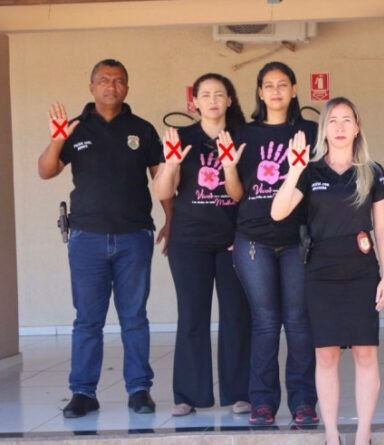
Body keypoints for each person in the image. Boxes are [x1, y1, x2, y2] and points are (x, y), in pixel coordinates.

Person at [38, 59, 169, 418]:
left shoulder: (142, 129)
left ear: (127, 87)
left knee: (135, 317)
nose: (112, 86)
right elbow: (46, 171)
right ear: (91, 86)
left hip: (134, 236)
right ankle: (83, 392)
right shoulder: (75, 128)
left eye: (119, 81)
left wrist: (171, 219)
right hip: (87, 237)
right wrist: (57, 140)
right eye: (104, 80)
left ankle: (139, 390)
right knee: (87, 319)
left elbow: (162, 182)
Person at [271, 97, 384, 445]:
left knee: (365, 352)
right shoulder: (310, 172)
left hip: (361, 269)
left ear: (357, 127)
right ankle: (332, 435)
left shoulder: (373, 171)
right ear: (324, 129)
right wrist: (293, 171)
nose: (340, 127)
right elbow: (278, 213)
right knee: (324, 355)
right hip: (320, 270)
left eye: (347, 120)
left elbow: (381, 228)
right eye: (333, 120)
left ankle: (363, 434)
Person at [219, 61, 318, 426]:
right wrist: (229, 168)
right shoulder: (244, 133)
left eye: (282, 84)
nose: (275, 91)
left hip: (299, 240)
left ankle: (304, 402)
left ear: (294, 89)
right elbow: (236, 194)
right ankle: (262, 403)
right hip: (253, 241)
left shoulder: (310, 131)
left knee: (298, 321)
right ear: (259, 92)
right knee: (264, 322)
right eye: (268, 85)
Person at [152, 73, 251, 416]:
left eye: (219, 94)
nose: (212, 100)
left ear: (229, 100)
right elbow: (164, 191)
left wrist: (229, 168)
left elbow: (242, 195)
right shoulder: (181, 137)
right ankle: (188, 395)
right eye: (205, 95)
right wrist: (172, 163)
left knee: (237, 315)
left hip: (232, 239)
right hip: (189, 240)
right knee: (191, 315)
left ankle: (239, 392)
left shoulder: (242, 138)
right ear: (193, 102)